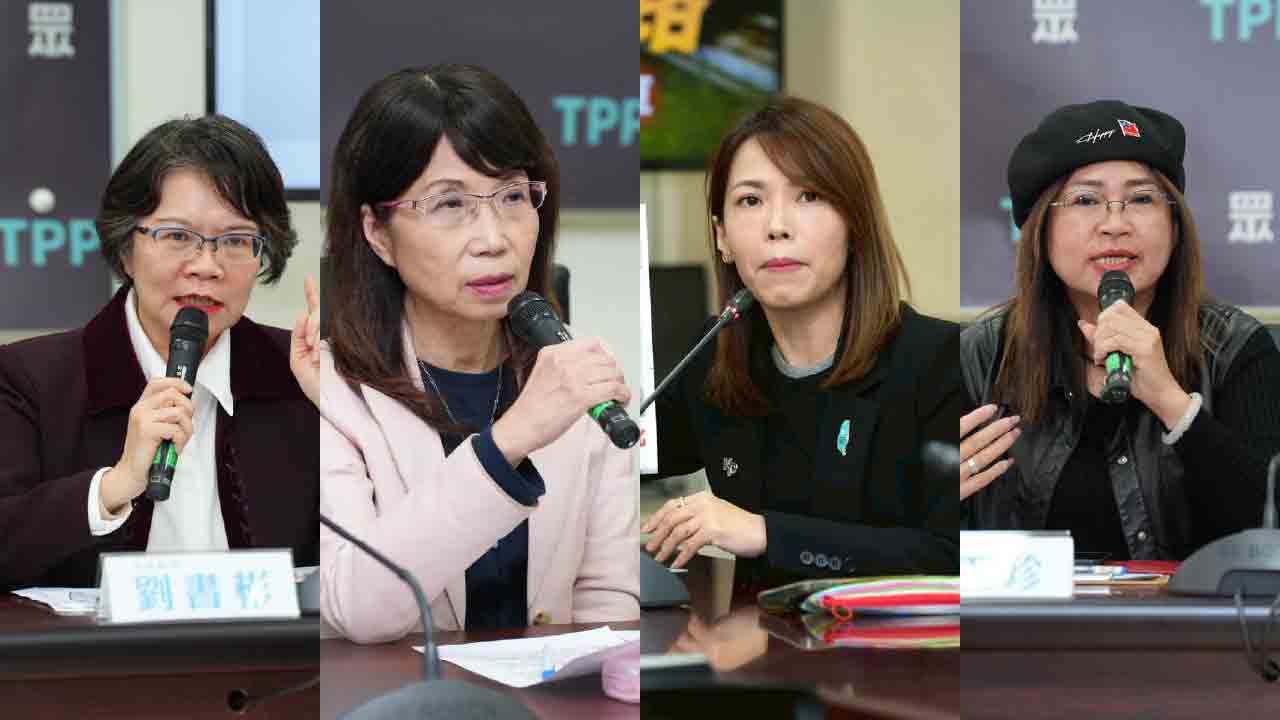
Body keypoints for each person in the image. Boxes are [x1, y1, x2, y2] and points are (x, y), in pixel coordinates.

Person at [317, 64, 639, 644]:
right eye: (449, 205)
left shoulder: (579, 374)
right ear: (377, 232)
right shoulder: (330, 390)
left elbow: (607, 603)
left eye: (513, 196)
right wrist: (510, 439)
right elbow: (359, 610)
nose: (493, 239)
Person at [643, 97, 961, 589]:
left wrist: (767, 534)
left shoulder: (940, 362)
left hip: (893, 640)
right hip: (751, 638)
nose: (777, 227)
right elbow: (619, 457)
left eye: (808, 196)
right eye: (751, 201)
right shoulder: (715, 358)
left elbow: (952, 556)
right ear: (722, 236)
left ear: (855, 223)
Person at [0, 115, 320, 590]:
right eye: (177, 236)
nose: (207, 266)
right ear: (126, 249)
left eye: (235, 240)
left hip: (266, 642)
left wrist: (346, 413)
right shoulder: (32, 381)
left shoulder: (301, 376)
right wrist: (113, 486)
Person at [960, 100, 1280, 560]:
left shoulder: (1233, 348)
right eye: (1086, 200)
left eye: (1142, 199)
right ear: (1040, 230)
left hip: (1193, 610)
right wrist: (935, 495)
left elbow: (1267, 532)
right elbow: (925, 542)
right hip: (1026, 610)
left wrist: (1172, 403)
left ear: (1175, 226)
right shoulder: (981, 355)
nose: (1115, 224)